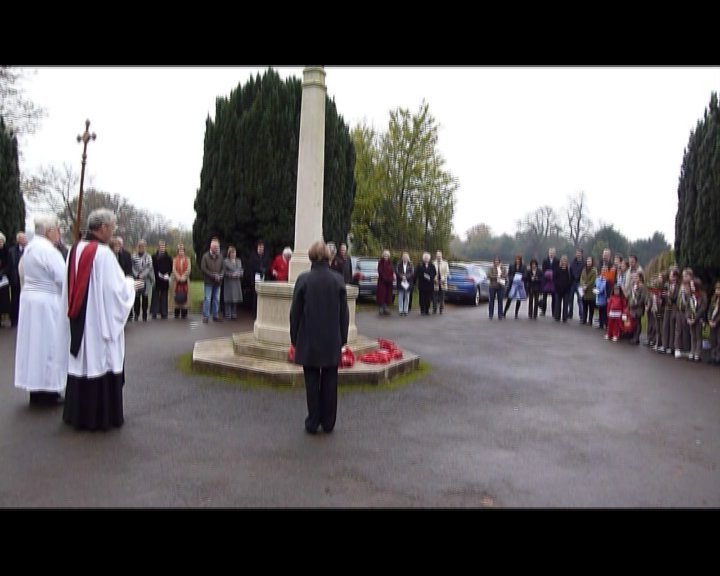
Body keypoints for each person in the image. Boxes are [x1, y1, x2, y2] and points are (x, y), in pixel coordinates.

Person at [63, 209, 140, 430]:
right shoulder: (103, 254)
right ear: (103, 228)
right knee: (100, 361)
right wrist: (129, 285)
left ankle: (77, 414)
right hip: (98, 322)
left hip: (81, 319)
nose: (113, 232)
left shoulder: (75, 249)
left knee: (83, 364)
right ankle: (101, 417)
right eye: (112, 227)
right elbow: (114, 291)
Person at [289, 241, 349, 435]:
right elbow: (344, 314)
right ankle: (329, 421)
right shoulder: (338, 280)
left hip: (309, 338)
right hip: (332, 338)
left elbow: (295, 312)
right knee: (331, 380)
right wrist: (343, 338)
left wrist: (294, 337)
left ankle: (313, 421)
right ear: (328, 257)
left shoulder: (303, 280)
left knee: (312, 382)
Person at [14, 216, 68, 405]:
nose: (59, 234)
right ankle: (48, 389)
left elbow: (21, 271)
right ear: (49, 232)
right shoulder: (49, 251)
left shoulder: (29, 248)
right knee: (48, 345)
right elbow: (63, 278)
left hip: (30, 300)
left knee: (33, 346)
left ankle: (35, 388)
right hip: (46, 302)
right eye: (58, 230)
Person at [200, 238, 224, 323]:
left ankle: (215, 316)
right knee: (207, 299)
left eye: (218, 247)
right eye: (216, 247)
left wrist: (221, 275)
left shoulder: (220, 256)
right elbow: (203, 268)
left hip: (218, 282)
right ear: (211, 247)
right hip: (209, 282)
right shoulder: (205, 256)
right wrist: (213, 275)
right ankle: (206, 316)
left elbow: (223, 268)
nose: (217, 249)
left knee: (216, 299)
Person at [8, 231, 28, 327]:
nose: (24, 240)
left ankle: (24, 320)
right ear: (18, 240)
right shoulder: (11, 251)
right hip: (15, 280)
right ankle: (14, 320)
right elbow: (9, 265)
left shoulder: (29, 250)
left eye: (25, 238)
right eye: (22, 238)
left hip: (26, 281)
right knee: (15, 300)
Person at [131, 239, 154, 322]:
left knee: (145, 297)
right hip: (136, 279)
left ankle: (144, 315)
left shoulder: (148, 256)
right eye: (140, 246)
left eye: (143, 246)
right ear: (138, 246)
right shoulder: (133, 256)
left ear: (145, 246)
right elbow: (132, 266)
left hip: (146, 280)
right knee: (137, 298)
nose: (141, 247)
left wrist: (143, 275)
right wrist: (137, 274)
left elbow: (149, 267)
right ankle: (136, 314)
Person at [151, 240, 172, 320]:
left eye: (163, 246)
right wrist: (157, 274)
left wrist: (168, 274)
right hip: (156, 278)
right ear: (158, 247)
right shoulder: (153, 256)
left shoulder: (168, 257)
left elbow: (170, 267)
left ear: (165, 247)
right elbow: (152, 267)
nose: (162, 248)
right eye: (161, 246)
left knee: (164, 296)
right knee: (155, 296)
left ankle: (164, 312)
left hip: (165, 279)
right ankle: (154, 312)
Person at [223, 245, 243, 320]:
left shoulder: (238, 261)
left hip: (236, 282)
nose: (233, 254)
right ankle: (228, 314)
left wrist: (239, 274)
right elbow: (224, 272)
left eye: (234, 253)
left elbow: (241, 270)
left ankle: (234, 314)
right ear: (229, 253)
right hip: (229, 282)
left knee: (235, 299)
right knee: (228, 299)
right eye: (232, 253)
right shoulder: (225, 261)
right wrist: (231, 274)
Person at [171, 243, 191, 319]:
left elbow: (189, 269)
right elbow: (174, 269)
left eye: (182, 251)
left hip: (185, 281)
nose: (181, 252)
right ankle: (176, 313)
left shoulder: (188, 259)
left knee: (185, 295)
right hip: (176, 281)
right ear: (178, 251)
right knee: (176, 295)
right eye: (180, 251)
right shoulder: (175, 259)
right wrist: (178, 277)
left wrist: (183, 277)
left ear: (184, 251)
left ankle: (184, 313)